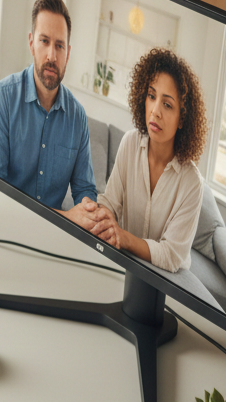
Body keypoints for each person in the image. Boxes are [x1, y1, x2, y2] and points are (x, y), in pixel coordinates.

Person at [0, 0, 108, 235]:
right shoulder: (4, 98)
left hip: (52, 237)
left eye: (59, 45)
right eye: (44, 41)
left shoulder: (77, 118)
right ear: (31, 43)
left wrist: (89, 212)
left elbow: (84, 191)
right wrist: (66, 217)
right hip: (5, 229)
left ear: (68, 53)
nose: (52, 55)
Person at [83, 48, 206, 273]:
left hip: (167, 280)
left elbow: (170, 256)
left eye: (167, 105)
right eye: (151, 96)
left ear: (182, 119)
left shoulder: (192, 183)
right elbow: (111, 202)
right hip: (125, 262)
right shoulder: (130, 142)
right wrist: (97, 213)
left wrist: (124, 238)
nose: (155, 111)